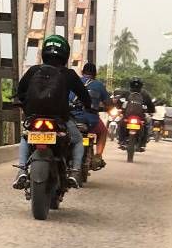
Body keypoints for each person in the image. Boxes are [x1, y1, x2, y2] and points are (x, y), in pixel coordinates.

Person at [12, 35, 92, 190]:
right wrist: (88, 106)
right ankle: (75, 171)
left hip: (34, 117)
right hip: (59, 118)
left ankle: (21, 169)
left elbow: (20, 92)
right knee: (77, 141)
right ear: (65, 54)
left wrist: (22, 102)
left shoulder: (34, 70)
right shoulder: (69, 74)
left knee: (25, 136)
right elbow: (84, 97)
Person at [74, 62, 111, 170]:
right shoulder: (99, 85)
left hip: (74, 118)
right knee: (103, 131)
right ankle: (98, 156)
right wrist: (107, 108)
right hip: (91, 120)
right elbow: (108, 103)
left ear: (82, 72)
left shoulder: (74, 82)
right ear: (95, 74)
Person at [117, 77, 156, 149]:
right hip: (139, 117)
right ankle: (142, 144)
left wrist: (120, 108)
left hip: (128, 116)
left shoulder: (126, 93)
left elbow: (119, 102)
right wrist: (151, 111)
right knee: (146, 125)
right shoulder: (145, 94)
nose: (136, 86)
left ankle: (121, 141)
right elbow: (151, 106)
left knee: (121, 124)